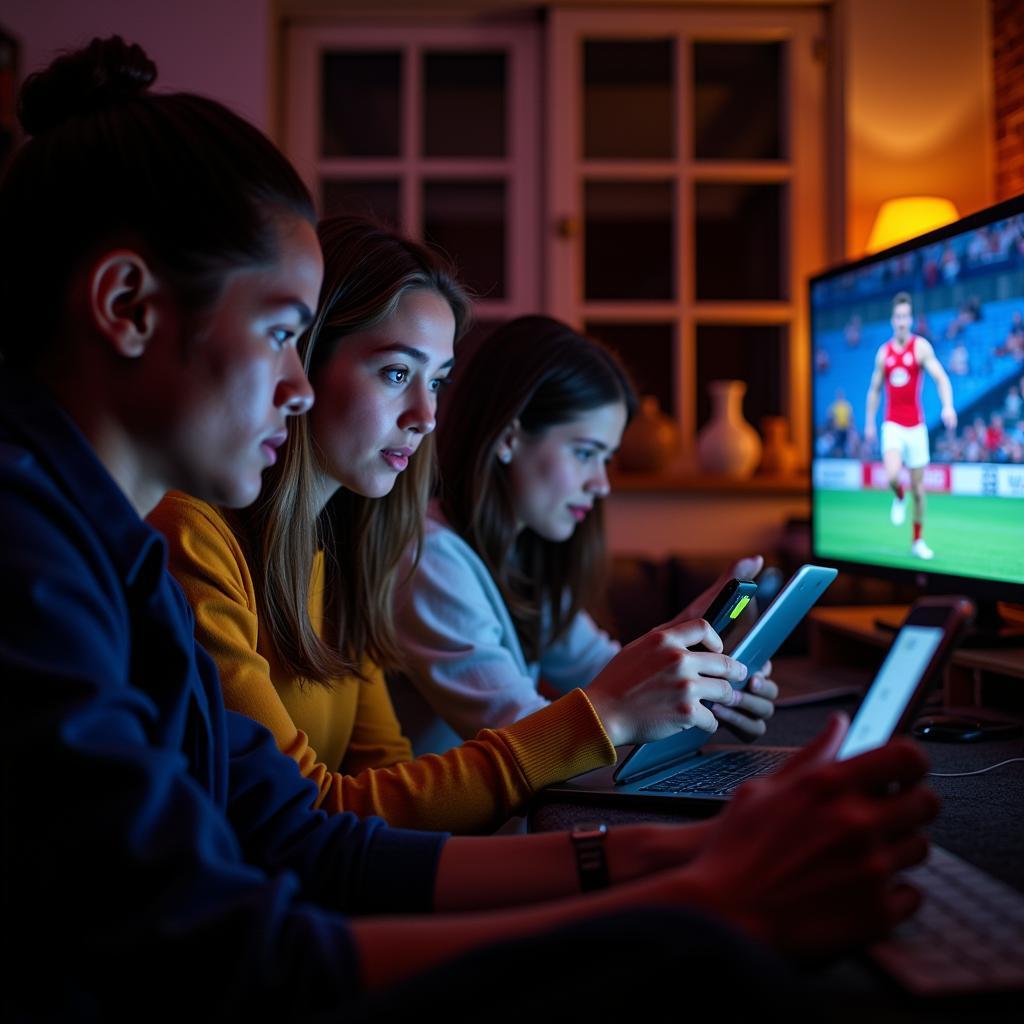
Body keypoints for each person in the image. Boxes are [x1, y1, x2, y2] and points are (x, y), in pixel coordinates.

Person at [2, 37, 938, 1020]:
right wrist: (703, 900)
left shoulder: (123, 551)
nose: (299, 381)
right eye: (286, 334)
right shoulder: (36, 554)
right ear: (126, 307)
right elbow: (218, 954)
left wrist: (684, 852)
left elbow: (310, 844)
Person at [150, 221, 757, 834]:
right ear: (302, 363)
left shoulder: (348, 555)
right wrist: (606, 719)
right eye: (395, 374)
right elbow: (315, 818)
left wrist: (694, 665)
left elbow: (382, 787)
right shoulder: (194, 539)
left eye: (436, 382)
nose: (426, 416)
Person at [389, 316, 775, 755]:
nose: (602, 484)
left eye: (606, 458)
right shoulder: (431, 558)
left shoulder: (520, 556)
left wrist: (706, 659)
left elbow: (602, 671)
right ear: (509, 437)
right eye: (585, 453)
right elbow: (525, 737)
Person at [865, 291, 957, 560]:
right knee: (893, 476)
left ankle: (917, 540)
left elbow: (941, 378)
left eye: (906, 316)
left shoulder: (921, 347)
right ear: (892, 320)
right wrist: (870, 422)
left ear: (911, 319)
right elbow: (874, 389)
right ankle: (898, 495)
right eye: (898, 317)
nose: (902, 321)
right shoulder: (884, 353)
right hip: (892, 424)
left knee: (920, 490)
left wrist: (948, 406)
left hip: (916, 427)